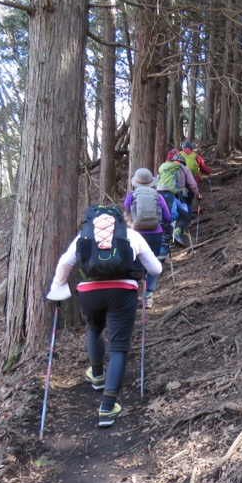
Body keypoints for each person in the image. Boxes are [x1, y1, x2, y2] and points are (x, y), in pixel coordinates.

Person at [46, 206, 162, 427]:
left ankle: (97, 376)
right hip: (122, 292)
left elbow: (65, 262)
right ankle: (108, 408)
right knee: (118, 348)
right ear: (120, 220)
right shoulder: (131, 235)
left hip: (90, 293)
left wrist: (57, 288)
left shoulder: (84, 235)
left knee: (95, 328)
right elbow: (155, 269)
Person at [123, 168, 173, 308]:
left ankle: (131, 294)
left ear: (136, 183)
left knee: (133, 263)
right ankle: (149, 296)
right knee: (152, 263)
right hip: (155, 234)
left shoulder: (131, 196)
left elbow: (125, 214)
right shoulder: (158, 196)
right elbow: (168, 217)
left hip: (135, 234)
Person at [157, 149, 199, 246]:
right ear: (182, 162)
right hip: (177, 194)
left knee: (166, 215)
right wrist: (197, 193)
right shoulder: (183, 168)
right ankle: (176, 233)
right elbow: (192, 184)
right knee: (183, 213)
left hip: (161, 194)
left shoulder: (164, 167)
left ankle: (166, 238)